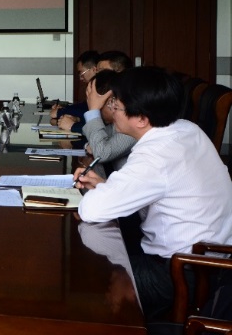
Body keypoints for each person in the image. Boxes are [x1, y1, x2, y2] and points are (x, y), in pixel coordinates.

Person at [75, 66, 232, 320]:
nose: (112, 110)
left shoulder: (155, 155)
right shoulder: (187, 129)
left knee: (91, 277)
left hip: (179, 275)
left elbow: (90, 210)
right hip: (213, 266)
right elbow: (158, 188)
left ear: (141, 119)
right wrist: (106, 187)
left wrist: (103, 192)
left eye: (116, 105)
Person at [80, 69, 136, 176]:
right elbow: (95, 139)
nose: (98, 114)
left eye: (97, 106)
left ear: (111, 101)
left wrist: (93, 111)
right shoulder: (114, 124)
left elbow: (101, 153)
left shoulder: (132, 123)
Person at [50, 50, 99, 128]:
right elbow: (85, 106)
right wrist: (63, 109)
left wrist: (60, 112)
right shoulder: (93, 86)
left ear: (94, 70)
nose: (80, 78)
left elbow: (93, 112)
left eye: (81, 73)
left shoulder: (103, 87)